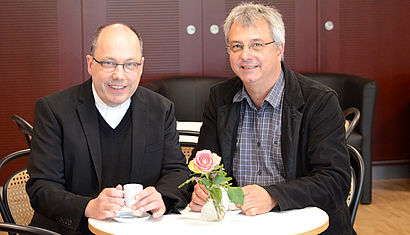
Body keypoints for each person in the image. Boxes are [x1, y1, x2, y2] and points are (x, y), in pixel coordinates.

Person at [189, 3, 354, 234]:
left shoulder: (319, 101)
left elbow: (335, 180)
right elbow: (204, 164)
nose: (245, 55)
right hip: (239, 225)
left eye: (257, 44)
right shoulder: (220, 98)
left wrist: (273, 196)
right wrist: (202, 188)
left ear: (279, 48)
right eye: (236, 46)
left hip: (303, 225)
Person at [26, 23, 190, 234]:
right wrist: (87, 206)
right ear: (89, 64)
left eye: (130, 64)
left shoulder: (160, 109)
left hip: (138, 230)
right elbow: (41, 187)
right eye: (109, 63)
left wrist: (162, 197)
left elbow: (177, 171)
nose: (119, 75)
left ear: (140, 66)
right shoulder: (54, 110)